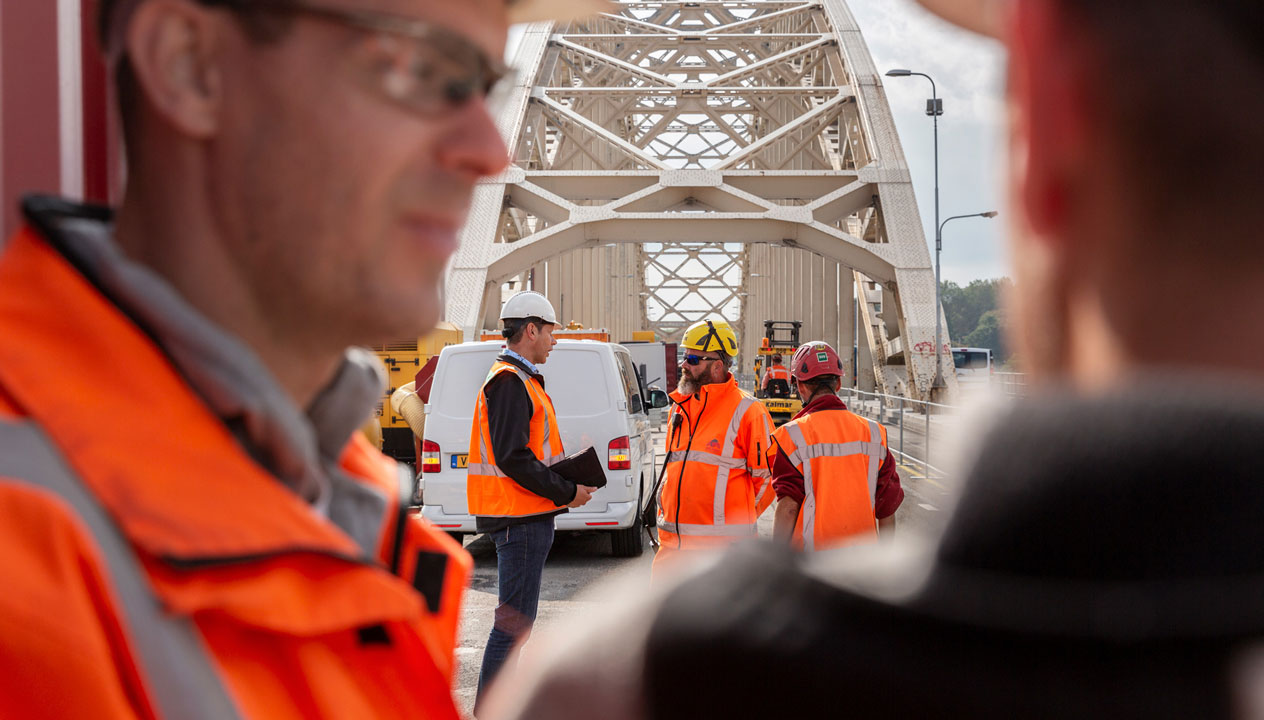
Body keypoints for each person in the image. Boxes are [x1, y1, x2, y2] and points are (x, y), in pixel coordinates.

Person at [478, 0, 1264, 717]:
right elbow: (883, 500)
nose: (691, 370)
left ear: (1047, 109)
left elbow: (791, 498)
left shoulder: (634, 676)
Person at [0, 0, 603, 718]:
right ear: (191, 67)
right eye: (423, 69)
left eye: (487, 88)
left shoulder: (352, 507)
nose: (489, 152)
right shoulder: (27, 544)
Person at [467, 290, 595, 706]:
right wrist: (567, 491)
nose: (554, 341)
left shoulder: (518, 380)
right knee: (513, 625)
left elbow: (521, 453)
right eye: (551, 332)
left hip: (521, 515)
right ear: (531, 329)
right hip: (517, 519)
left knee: (514, 623)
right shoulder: (509, 381)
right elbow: (512, 458)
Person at [652, 320, 774, 575]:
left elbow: (767, 481)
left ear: (717, 366)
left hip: (723, 558)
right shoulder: (679, 408)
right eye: (685, 357)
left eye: (693, 359)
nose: (684, 364)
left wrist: (732, 523)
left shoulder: (749, 412)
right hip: (671, 552)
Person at [771, 341, 902, 550]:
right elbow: (887, 509)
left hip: (811, 565)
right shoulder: (874, 433)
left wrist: (776, 561)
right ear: (838, 384)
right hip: (861, 565)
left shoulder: (792, 436)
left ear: (799, 385)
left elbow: (788, 508)